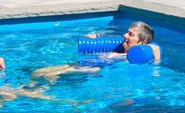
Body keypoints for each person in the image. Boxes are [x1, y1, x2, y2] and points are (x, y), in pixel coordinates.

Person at [31, 20, 160, 83]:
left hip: (93, 69)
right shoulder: (119, 49)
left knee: (48, 77)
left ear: (142, 42)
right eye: (127, 32)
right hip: (83, 63)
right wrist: (91, 41)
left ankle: (36, 92)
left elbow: (155, 62)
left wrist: (155, 53)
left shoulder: (133, 58)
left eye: (130, 34)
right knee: (37, 72)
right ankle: (31, 89)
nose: (124, 35)